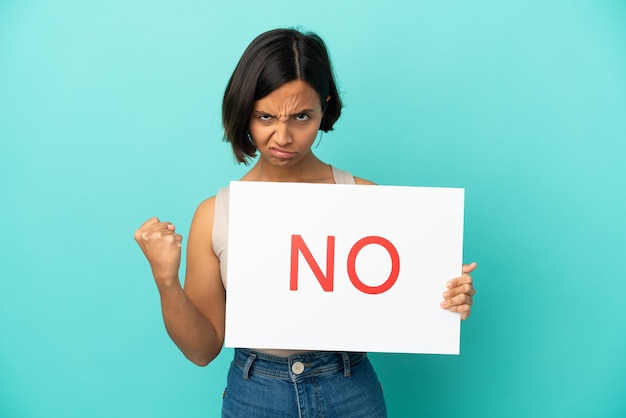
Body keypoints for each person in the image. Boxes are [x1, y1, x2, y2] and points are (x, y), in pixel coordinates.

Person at [134, 28, 476, 417]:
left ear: (324, 107)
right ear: (244, 109)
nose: (283, 136)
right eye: (265, 116)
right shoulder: (216, 214)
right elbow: (202, 350)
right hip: (256, 394)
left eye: (301, 116)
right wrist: (166, 280)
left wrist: (447, 297)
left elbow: (406, 302)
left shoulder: (368, 200)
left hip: (350, 389)